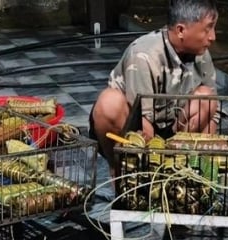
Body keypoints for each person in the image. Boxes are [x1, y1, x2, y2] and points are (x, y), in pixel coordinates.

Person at [90, 0, 220, 173]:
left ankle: (178, 168)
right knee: (109, 102)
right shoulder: (144, 55)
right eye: (207, 29)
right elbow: (144, 123)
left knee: (206, 98)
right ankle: (119, 170)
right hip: (134, 126)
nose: (213, 37)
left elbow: (213, 115)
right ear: (181, 30)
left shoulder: (201, 52)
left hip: (174, 126)